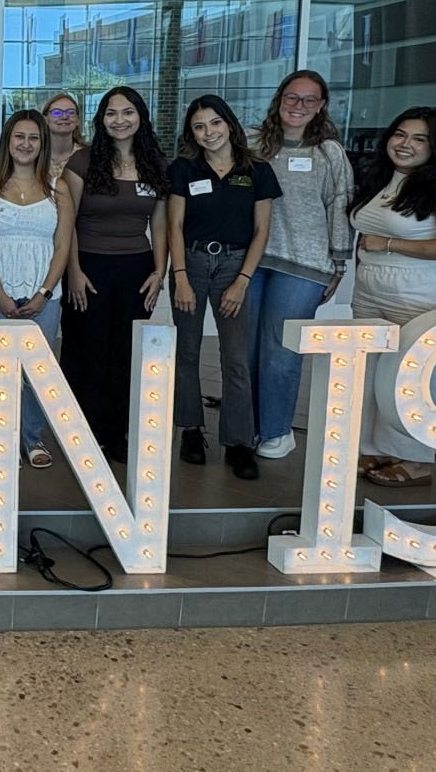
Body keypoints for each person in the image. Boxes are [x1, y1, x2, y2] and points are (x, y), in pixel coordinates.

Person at [350, 106, 436, 488]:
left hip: (419, 290)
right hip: (372, 287)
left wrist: (388, 244)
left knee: (412, 375)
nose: (405, 144)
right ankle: (376, 446)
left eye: (419, 138)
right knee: (372, 371)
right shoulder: (383, 178)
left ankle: (417, 459)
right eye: (400, 134)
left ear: (435, 145)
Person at [167, 96, 280, 480]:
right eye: (199, 127)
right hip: (192, 263)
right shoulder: (184, 169)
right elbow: (175, 226)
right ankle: (192, 431)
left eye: (215, 123)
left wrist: (243, 280)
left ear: (229, 124)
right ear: (192, 133)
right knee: (187, 351)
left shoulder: (257, 170)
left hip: (235, 264)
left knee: (234, 357)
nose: (208, 133)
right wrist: (180, 275)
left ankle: (237, 442)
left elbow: (262, 230)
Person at [248, 70, 355, 461]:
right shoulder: (253, 144)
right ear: (280, 99)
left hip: (304, 265)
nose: (299, 106)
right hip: (253, 261)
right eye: (293, 98)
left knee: (280, 350)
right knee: (247, 347)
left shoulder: (329, 153)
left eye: (310, 100)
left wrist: (339, 264)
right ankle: (251, 427)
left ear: (321, 105)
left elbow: (339, 208)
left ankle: (277, 431)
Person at [60, 87, 169, 463]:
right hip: (88, 265)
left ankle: (117, 432)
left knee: (126, 353)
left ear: (141, 116)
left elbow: (159, 220)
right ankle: (82, 433)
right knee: (86, 351)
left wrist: (160, 270)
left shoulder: (156, 163)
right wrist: (72, 271)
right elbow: (67, 222)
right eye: (111, 113)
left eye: (127, 112)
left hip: (137, 268)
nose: (119, 120)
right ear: (101, 119)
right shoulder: (83, 162)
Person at [0, 109, 72, 469]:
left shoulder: (58, 188)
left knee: (35, 373)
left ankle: (31, 438)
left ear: (42, 143)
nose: (26, 144)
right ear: (8, 142)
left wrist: (44, 293)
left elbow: (62, 246)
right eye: (19, 137)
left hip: (44, 295)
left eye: (33, 137)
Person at [42, 92, 84, 173]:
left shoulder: (87, 156)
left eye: (70, 112)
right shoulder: (35, 154)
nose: (64, 117)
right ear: (46, 119)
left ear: (78, 120)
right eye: (57, 112)